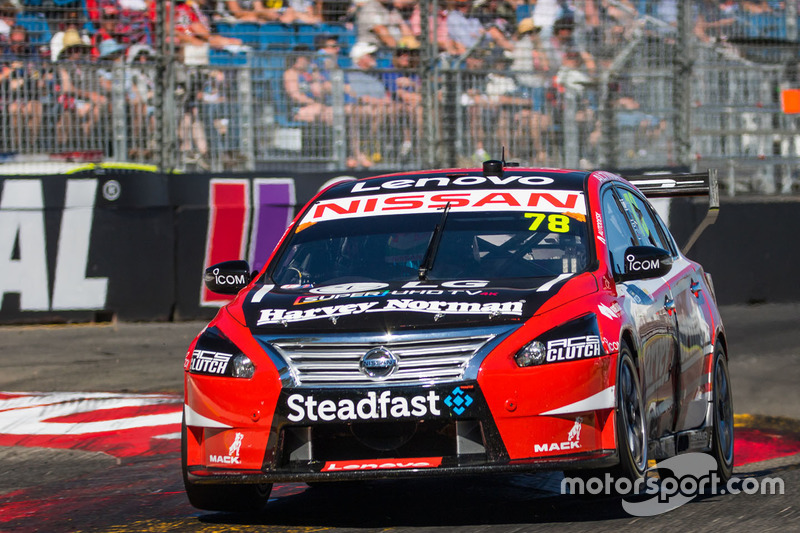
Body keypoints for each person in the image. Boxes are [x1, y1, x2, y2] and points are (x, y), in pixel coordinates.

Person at [55, 29, 105, 148]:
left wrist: (94, 97)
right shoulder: (62, 66)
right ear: (67, 51)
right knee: (70, 114)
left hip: (87, 102)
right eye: (74, 49)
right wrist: (89, 96)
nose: (77, 52)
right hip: (67, 102)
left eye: (79, 49)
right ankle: (67, 147)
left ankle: (83, 145)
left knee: (98, 107)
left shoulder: (87, 67)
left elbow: (96, 86)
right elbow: (67, 88)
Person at [0, 25, 46, 151]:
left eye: (21, 42)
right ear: (10, 41)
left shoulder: (32, 54)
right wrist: (11, 70)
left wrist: (35, 78)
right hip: (8, 97)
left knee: (35, 109)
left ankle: (30, 146)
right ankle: (17, 147)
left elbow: (39, 76)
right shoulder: (4, 55)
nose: (18, 46)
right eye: (15, 42)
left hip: (30, 95)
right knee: (15, 110)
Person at [283, 45, 333, 124]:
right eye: (307, 58)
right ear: (299, 59)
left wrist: (316, 76)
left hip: (317, 107)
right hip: (297, 109)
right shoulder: (291, 73)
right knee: (324, 112)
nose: (309, 61)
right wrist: (312, 102)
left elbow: (321, 94)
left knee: (330, 112)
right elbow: (295, 96)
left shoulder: (309, 74)